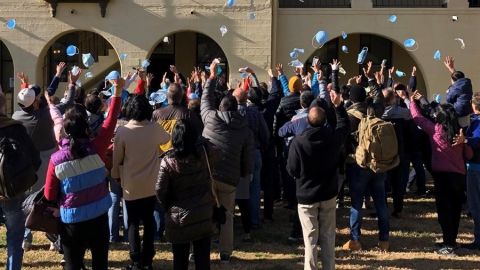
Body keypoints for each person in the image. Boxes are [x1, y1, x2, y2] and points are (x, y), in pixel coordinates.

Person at [44, 76, 123, 270]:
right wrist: (118, 93)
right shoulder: (97, 146)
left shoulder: (56, 160)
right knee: (100, 264)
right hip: (99, 216)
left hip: (72, 221)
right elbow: (111, 120)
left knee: (73, 264)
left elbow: (49, 194)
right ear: (86, 127)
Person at [287, 60, 349, 270]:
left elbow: (292, 169)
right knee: (328, 236)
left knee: (310, 238)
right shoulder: (331, 138)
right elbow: (343, 126)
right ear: (322, 122)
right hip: (328, 192)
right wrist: (339, 106)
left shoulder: (298, 141)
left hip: (306, 194)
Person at [200, 60, 254, 263]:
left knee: (204, 212)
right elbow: (248, 155)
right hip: (230, 178)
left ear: (220, 107)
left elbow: (205, 99)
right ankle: (225, 253)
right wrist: (245, 175)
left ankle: (199, 249)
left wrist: (212, 76)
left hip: (208, 174)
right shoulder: (245, 128)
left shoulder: (210, 117)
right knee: (228, 216)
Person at [13, 63, 70, 250]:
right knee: (48, 200)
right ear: (37, 102)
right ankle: (53, 237)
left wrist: (25, 88)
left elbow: (30, 103)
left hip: (24, 165)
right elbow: (62, 103)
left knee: (25, 202)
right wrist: (63, 78)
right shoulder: (46, 115)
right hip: (46, 164)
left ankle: (26, 239)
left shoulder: (16, 117)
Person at [410, 90, 472, 256]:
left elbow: (419, 119)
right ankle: (451, 240)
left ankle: (449, 243)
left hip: (442, 177)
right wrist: (464, 143)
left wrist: (411, 102)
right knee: (455, 210)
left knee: (444, 211)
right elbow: (469, 155)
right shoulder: (460, 132)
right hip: (459, 176)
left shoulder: (436, 130)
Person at [111, 95, 170, 270]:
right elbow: (166, 139)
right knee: (150, 220)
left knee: (133, 223)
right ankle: (148, 258)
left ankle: (135, 259)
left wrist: (115, 174)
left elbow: (117, 159)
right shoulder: (155, 128)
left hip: (131, 184)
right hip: (151, 183)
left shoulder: (123, 131)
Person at [156, 120, 215, 270]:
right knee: (203, 260)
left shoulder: (168, 161)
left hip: (178, 214)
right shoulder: (204, 154)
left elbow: (160, 190)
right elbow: (218, 153)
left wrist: (168, 204)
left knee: (180, 260)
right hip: (202, 210)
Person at [0, 89, 41, 270]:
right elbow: (35, 159)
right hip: (12, 190)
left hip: (11, 190)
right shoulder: (15, 128)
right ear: (3, 105)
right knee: (15, 237)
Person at [233, 84, 269, 229]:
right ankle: (253, 220)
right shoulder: (255, 114)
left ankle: (232, 220)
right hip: (254, 152)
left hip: (236, 154)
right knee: (254, 189)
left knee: (234, 188)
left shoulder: (231, 113)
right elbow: (265, 134)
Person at [465, 93, 480, 250]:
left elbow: (476, 142)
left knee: (476, 205)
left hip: (476, 168)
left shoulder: (476, 123)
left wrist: (466, 140)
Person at [443, 56, 473, 128]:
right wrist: (451, 69)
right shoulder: (467, 83)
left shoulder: (454, 88)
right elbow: (457, 78)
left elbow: (448, 99)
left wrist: (448, 92)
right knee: (467, 128)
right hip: (467, 110)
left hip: (459, 112)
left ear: (453, 81)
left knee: (460, 130)